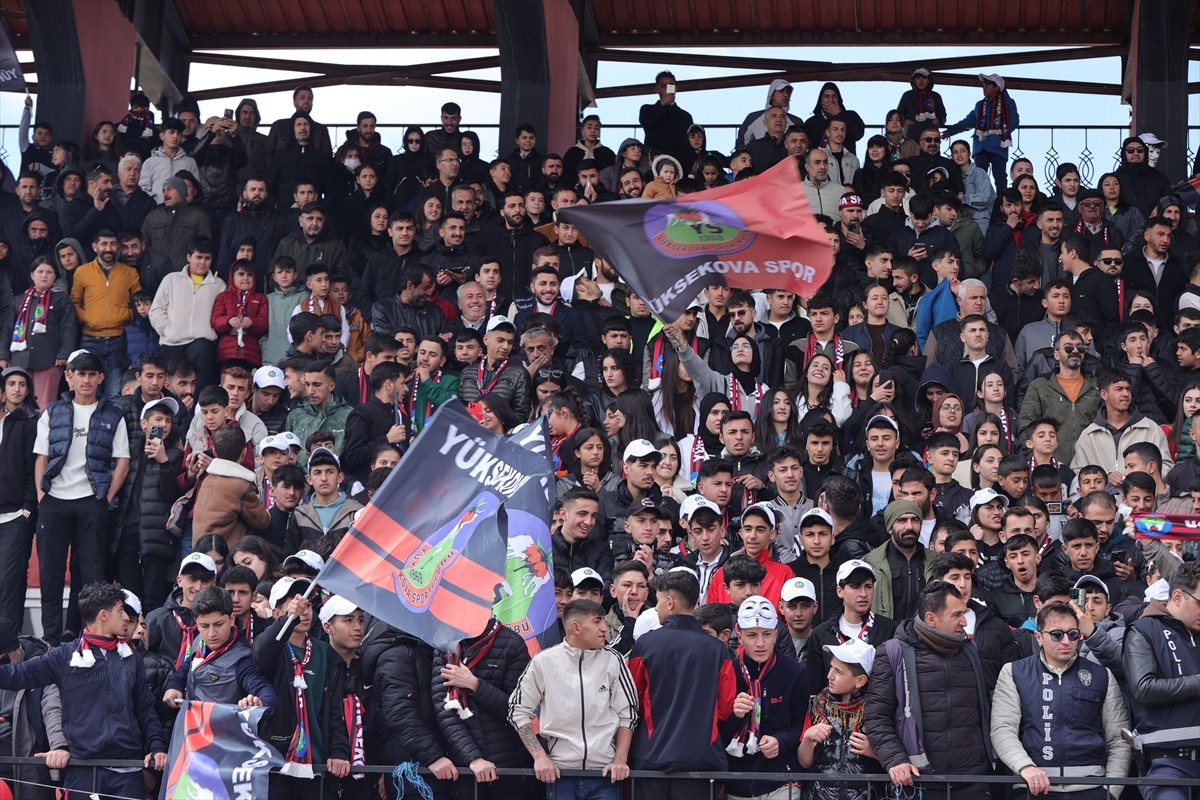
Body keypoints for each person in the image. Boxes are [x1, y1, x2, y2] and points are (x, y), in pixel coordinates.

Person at [0, 582, 167, 798]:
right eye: (120, 611)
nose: (127, 618)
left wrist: (156, 746)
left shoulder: (132, 659)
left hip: (127, 769)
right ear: (103, 616)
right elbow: (17, 675)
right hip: (82, 769)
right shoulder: (64, 656)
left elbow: (145, 709)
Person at [864, 581, 995, 800]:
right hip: (918, 783)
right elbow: (877, 717)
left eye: (964, 613)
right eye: (956, 615)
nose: (964, 622)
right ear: (931, 619)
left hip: (972, 782)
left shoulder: (971, 650)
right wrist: (895, 760)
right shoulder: (893, 652)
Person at [34, 349, 130, 645]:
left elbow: (122, 461)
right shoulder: (52, 411)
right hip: (54, 500)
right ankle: (50, 639)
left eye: (91, 374)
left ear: (101, 378)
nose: (86, 380)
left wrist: (104, 498)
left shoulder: (113, 414)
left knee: (91, 574)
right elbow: (41, 457)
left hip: (92, 501)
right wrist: (41, 496)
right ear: (69, 377)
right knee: (51, 573)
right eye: (80, 374)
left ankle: (85, 636)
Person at [990, 600, 1130, 799]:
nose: (1066, 641)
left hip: (1092, 788)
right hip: (1033, 788)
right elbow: (1002, 729)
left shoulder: (1101, 675)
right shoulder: (1014, 672)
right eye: (1057, 634)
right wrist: (1025, 766)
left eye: (1073, 634)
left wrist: (1111, 791)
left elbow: (1119, 738)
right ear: (1039, 637)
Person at [508, 598, 637, 799]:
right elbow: (517, 710)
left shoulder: (614, 660)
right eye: (597, 621)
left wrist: (620, 760)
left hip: (604, 775)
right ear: (576, 627)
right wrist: (539, 757)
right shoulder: (543, 661)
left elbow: (628, 713)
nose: (604, 628)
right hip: (561, 773)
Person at [627, 570, 736, 799]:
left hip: (651, 758)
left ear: (670, 602)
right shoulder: (719, 650)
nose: (656, 608)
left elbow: (632, 701)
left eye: (658, 601)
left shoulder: (645, 644)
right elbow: (725, 708)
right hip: (701, 761)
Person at [254, 578, 351, 796]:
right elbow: (261, 654)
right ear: (277, 613)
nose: (303, 611)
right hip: (277, 764)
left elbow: (335, 711)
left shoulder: (327, 653)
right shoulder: (271, 648)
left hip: (316, 766)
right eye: (295, 605)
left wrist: (339, 751)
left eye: (307, 605)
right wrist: (287, 621)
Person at [432, 616, 537, 800]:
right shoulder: (444, 644)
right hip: (464, 765)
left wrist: (475, 685)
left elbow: (517, 709)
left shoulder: (511, 643)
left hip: (509, 763)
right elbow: (445, 712)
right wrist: (473, 758)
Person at [1122, 560, 1200, 799]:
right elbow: (1143, 688)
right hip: (1167, 762)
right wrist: (1197, 683)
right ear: (1177, 597)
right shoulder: (1143, 629)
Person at [719, 596, 808, 800]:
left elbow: (801, 725)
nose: (760, 643)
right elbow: (717, 732)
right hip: (737, 783)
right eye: (752, 635)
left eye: (766, 634)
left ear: (776, 634)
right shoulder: (728, 671)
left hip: (781, 780)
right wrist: (735, 716)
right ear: (739, 635)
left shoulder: (794, 671)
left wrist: (781, 742)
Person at [799, 636, 881, 800]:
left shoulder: (877, 709)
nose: (830, 675)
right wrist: (808, 738)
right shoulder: (817, 705)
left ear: (860, 680)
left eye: (839, 671)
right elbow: (804, 762)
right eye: (831, 667)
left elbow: (897, 759)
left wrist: (877, 752)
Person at [150, 237, 225, 391]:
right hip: (172, 343)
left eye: (207, 258)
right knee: (171, 387)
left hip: (201, 343)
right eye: (199, 257)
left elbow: (222, 313)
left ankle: (198, 404)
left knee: (200, 379)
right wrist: (167, 329)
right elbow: (156, 309)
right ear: (189, 257)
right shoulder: (171, 279)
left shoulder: (218, 285)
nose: (203, 262)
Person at [944, 74, 1019, 191]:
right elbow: (969, 121)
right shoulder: (980, 105)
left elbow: (1014, 121)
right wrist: (951, 131)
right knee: (978, 176)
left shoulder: (1007, 103)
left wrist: (1000, 133)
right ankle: (978, 198)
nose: (983, 87)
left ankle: (1001, 200)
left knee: (1000, 177)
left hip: (998, 146)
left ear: (996, 88)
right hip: (980, 147)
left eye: (987, 84)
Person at [865, 500, 936, 620]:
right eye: (902, 520)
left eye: (915, 520)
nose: (910, 526)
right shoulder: (871, 563)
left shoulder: (935, 562)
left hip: (923, 631)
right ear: (890, 528)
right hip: (885, 631)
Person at [639, 71, 694, 168]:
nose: (667, 89)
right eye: (663, 86)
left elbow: (690, 143)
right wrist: (663, 103)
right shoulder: (647, 109)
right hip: (654, 163)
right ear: (656, 89)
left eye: (670, 85)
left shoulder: (685, 116)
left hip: (680, 165)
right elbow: (647, 123)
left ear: (676, 88)